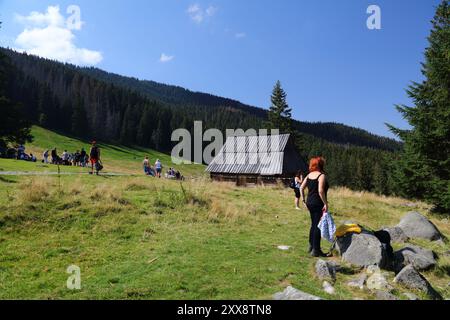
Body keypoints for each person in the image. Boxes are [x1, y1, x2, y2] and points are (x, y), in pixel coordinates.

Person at [300, 157, 330, 258]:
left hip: (310, 202)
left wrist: (303, 200)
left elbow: (301, 188)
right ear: (320, 165)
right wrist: (325, 203)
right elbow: (321, 191)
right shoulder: (321, 176)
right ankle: (316, 250)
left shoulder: (309, 175)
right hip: (318, 203)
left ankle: (311, 246)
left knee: (313, 224)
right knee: (317, 226)